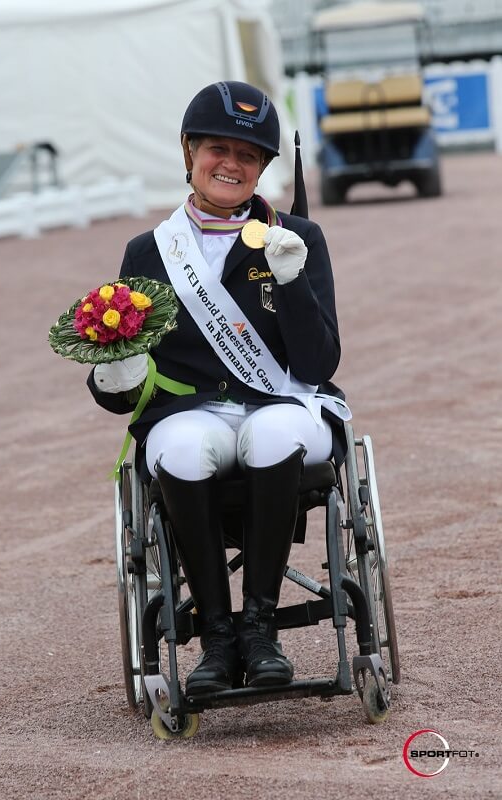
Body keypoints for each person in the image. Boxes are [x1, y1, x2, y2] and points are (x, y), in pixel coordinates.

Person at [88, 81, 349, 696]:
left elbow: (317, 362)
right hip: (193, 414)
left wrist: (291, 283)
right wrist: (113, 376)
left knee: (274, 428)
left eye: (248, 155)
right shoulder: (149, 252)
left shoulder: (298, 239)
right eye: (217, 149)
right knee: (177, 445)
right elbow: (125, 383)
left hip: (283, 404)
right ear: (188, 152)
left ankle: (259, 629)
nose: (231, 164)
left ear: (262, 168)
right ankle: (216, 638)